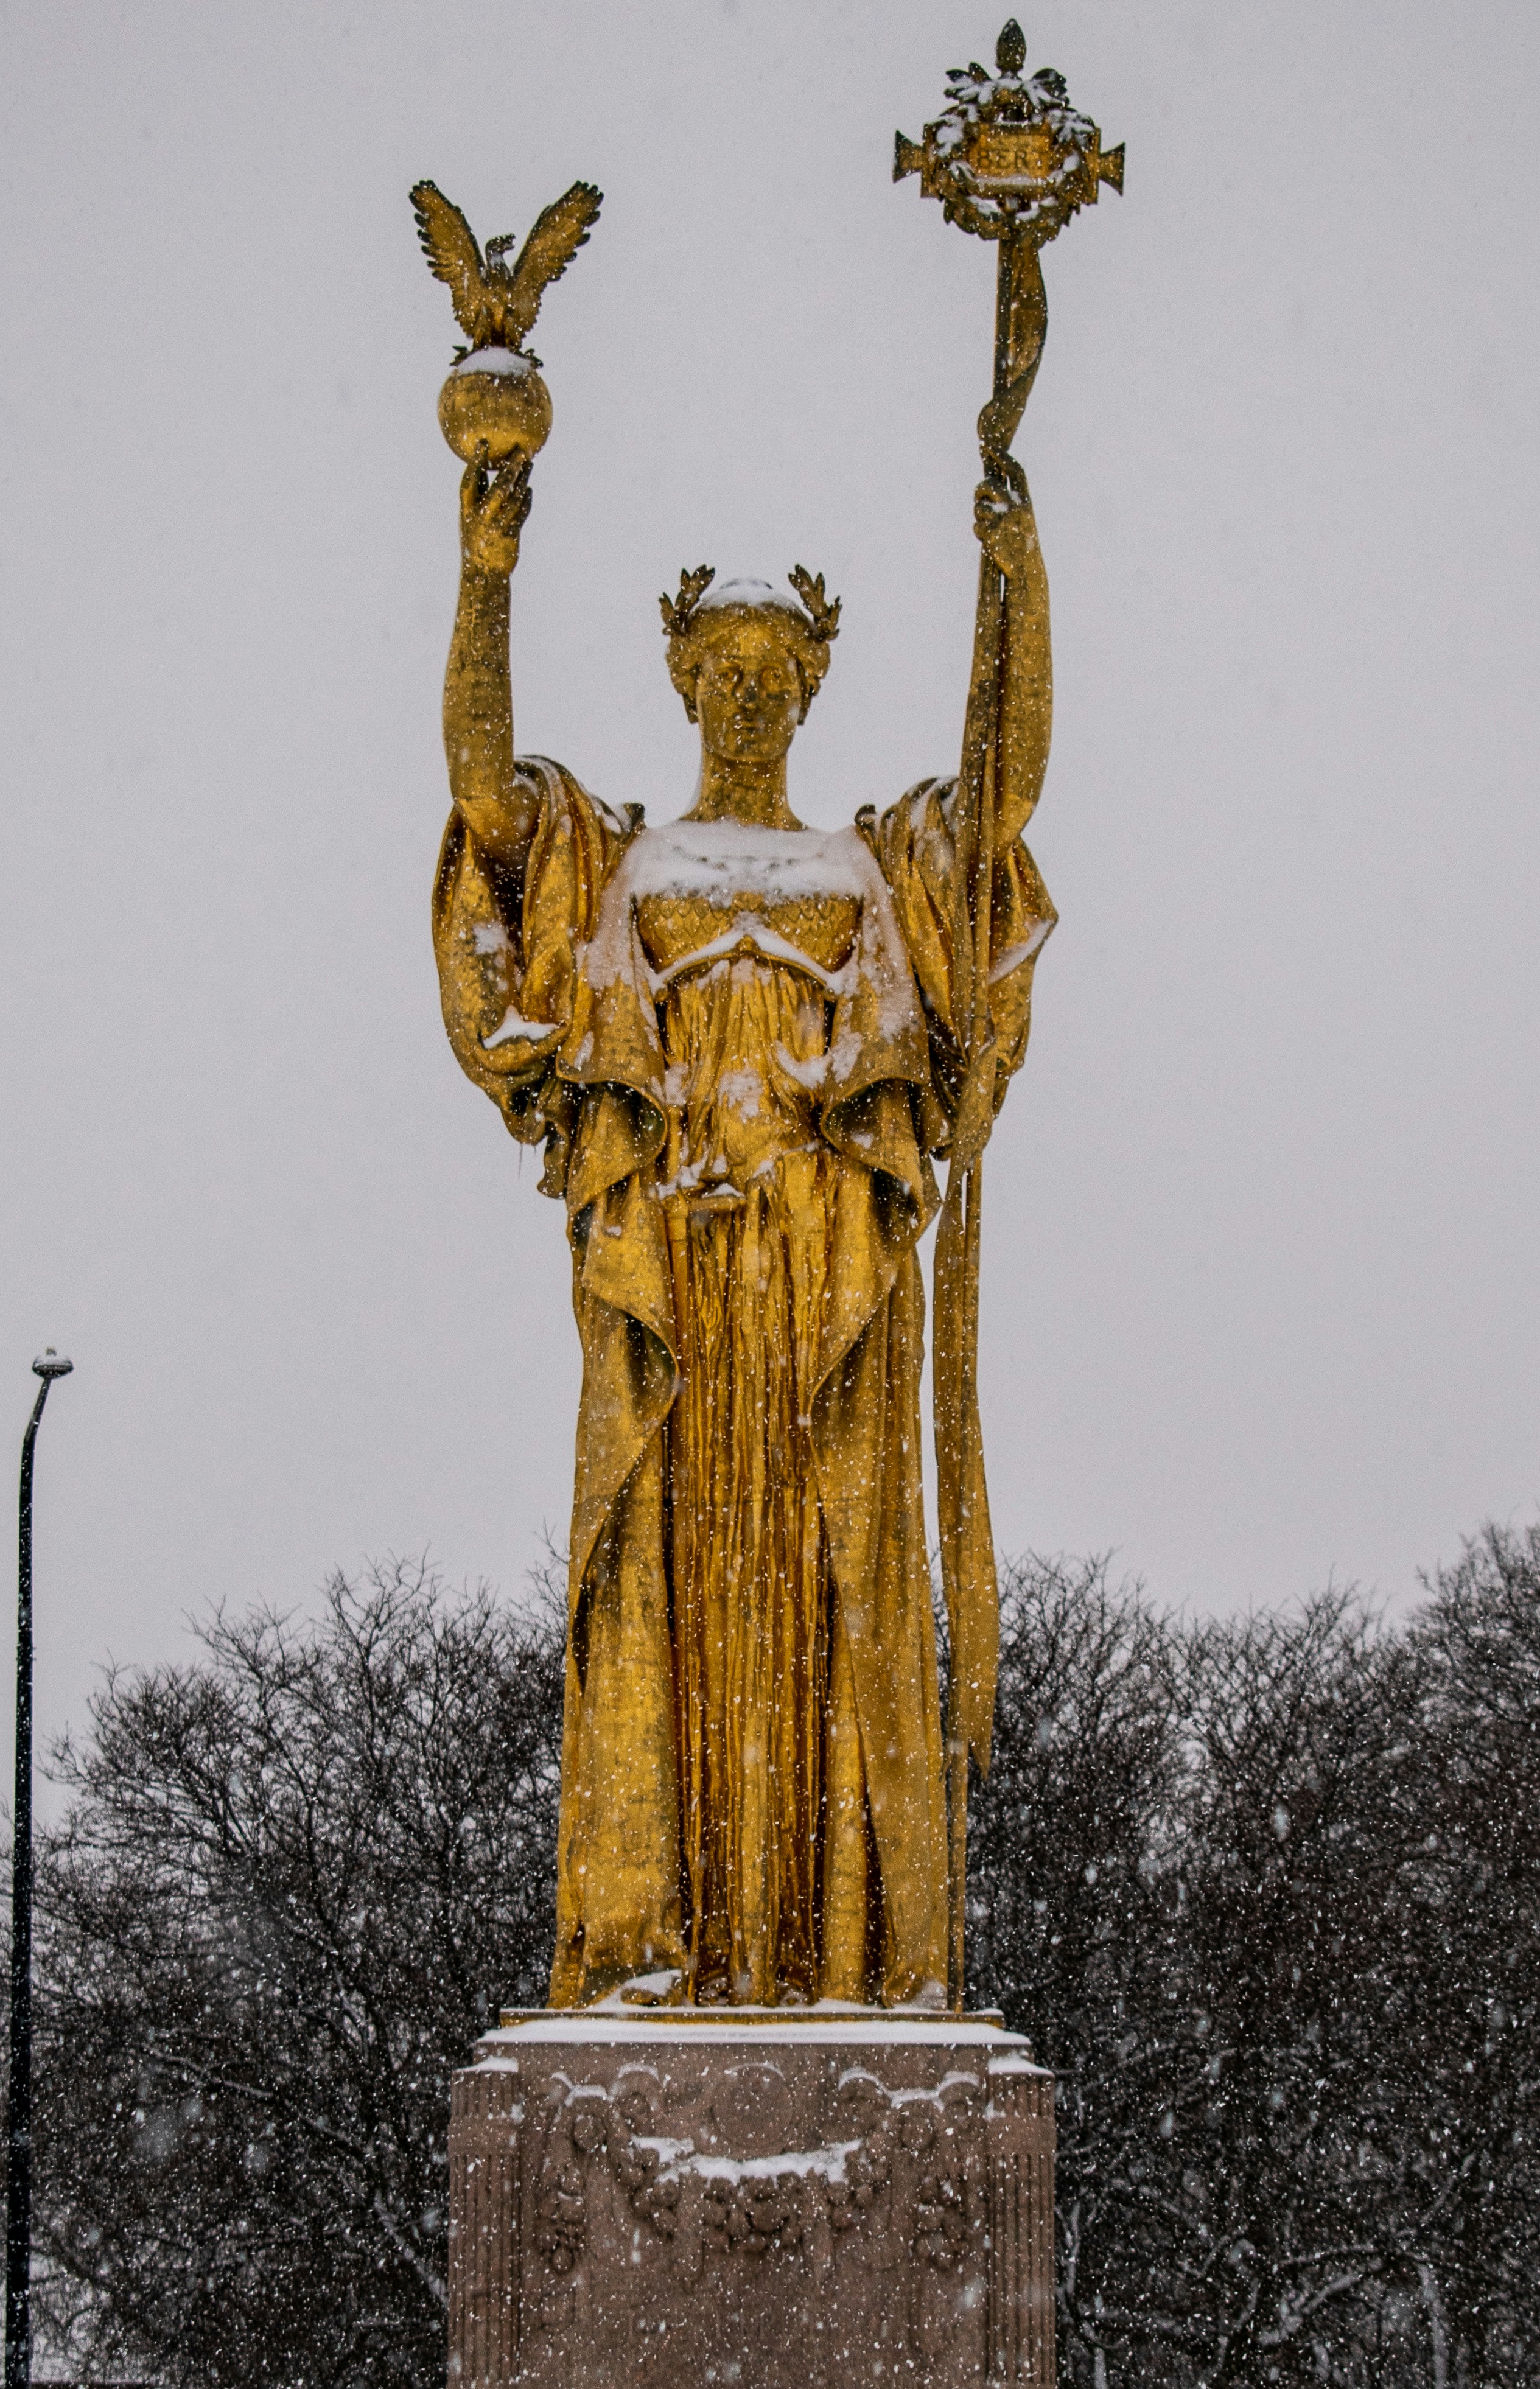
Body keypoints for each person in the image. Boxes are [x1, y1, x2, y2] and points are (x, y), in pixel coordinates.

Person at [432, 444, 1055, 2009]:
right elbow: (479, 796)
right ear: (683, 681)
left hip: (827, 1292)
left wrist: (1017, 580)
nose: (750, 696)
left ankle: (833, 1952)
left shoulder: (873, 868)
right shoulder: (621, 863)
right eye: (723, 669)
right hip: (679, 1286)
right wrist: (486, 567)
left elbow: (1004, 799)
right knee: (666, 1597)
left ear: (814, 687)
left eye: (778, 671)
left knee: (839, 1599)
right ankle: (660, 1943)